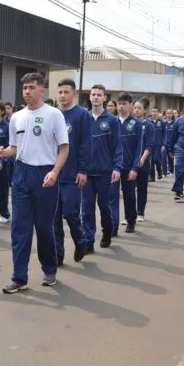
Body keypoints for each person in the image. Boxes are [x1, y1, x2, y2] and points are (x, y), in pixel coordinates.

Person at [0, 72, 68, 293]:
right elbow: (14, 148)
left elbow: (64, 148)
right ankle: (19, 277)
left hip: (45, 174)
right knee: (20, 228)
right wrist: (2, 152)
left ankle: (49, 269)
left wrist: (55, 172)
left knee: (44, 228)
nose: (27, 92)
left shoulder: (54, 115)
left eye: (31, 87)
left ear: (41, 90)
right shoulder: (16, 117)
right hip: (22, 175)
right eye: (24, 88)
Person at [54, 79, 92, 264]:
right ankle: (58, 255)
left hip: (72, 174)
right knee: (54, 219)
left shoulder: (82, 115)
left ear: (74, 93)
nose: (62, 96)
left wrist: (83, 170)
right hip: (53, 175)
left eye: (66, 92)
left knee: (70, 213)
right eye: (60, 92)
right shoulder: (53, 114)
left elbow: (86, 144)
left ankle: (80, 241)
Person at [82, 84, 121, 252]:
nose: (96, 97)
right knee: (86, 208)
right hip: (86, 173)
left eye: (99, 95)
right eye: (93, 94)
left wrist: (117, 168)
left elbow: (118, 146)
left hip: (105, 172)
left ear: (105, 98)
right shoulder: (84, 118)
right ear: (90, 97)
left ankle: (107, 232)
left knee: (104, 206)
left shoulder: (112, 120)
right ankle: (88, 240)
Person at [114, 92, 142, 234]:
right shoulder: (113, 122)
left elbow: (139, 147)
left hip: (129, 167)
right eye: (119, 104)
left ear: (131, 105)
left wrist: (135, 167)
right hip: (114, 168)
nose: (121, 107)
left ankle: (131, 221)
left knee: (129, 195)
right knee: (111, 197)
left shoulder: (136, 123)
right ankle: (112, 225)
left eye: (124, 104)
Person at [133, 98, 155, 222]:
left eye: (139, 108)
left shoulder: (148, 125)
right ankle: (130, 214)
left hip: (143, 162)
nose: (136, 110)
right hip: (130, 163)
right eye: (135, 107)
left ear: (145, 110)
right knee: (130, 189)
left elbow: (150, 145)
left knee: (141, 188)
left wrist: (142, 158)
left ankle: (140, 212)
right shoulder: (131, 123)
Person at [151, 107, 166, 179]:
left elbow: (164, 134)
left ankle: (160, 172)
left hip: (158, 145)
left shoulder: (162, 122)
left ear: (158, 113)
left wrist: (163, 144)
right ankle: (152, 177)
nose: (154, 113)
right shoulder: (149, 122)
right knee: (151, 160)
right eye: (153, 111)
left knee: (156, 159)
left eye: (156, 111)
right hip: (150, 145)